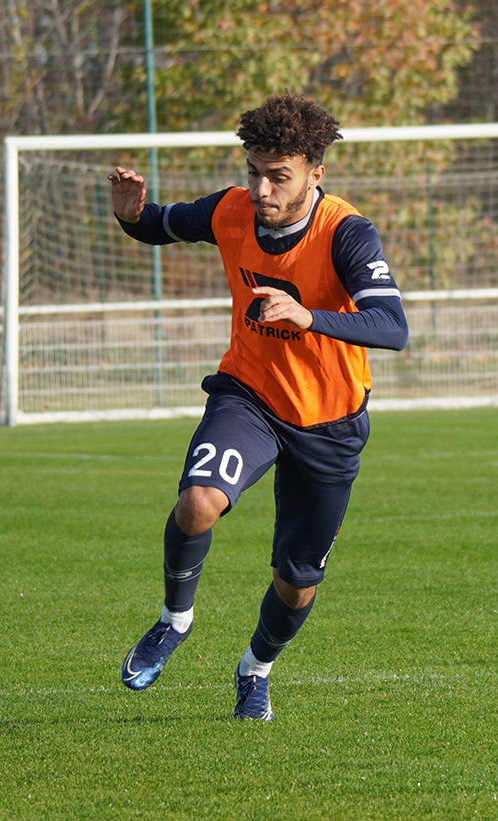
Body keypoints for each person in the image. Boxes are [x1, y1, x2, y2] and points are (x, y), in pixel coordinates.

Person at [110, 93, 407, 720]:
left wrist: (309, 316)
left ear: (315, 175)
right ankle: (173, 620)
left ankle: (255, 670)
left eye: (279, 176)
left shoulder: (346, 232)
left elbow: (391, 324)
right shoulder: (231, 210)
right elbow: (160, 224)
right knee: (198, 502)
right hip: (250, 394)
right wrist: (132, 215)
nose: (263, 189)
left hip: (329, 421)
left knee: (296, 581)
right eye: (255, 171)